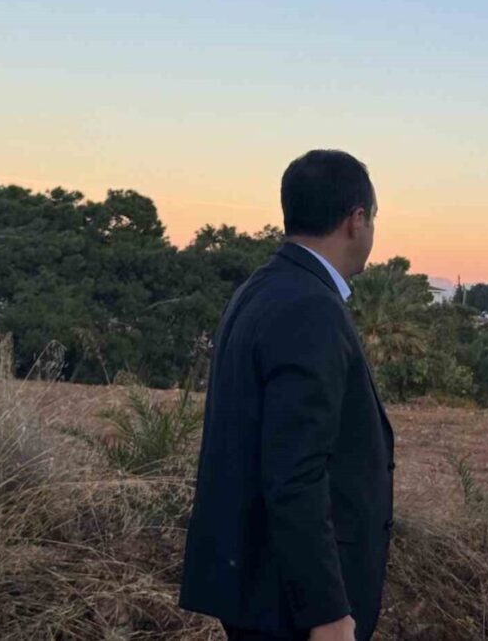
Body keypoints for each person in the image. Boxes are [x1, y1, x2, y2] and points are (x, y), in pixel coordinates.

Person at [179, 150, 395, 641]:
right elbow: (295, 472)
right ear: (356, 220)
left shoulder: (263, 288)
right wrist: (327, 611)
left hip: (257, 587)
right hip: (289, 604)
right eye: (373, 218)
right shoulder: (310, 307)